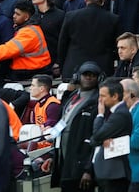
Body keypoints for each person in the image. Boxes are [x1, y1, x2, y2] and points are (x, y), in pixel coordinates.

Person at [45, 61, 102, 192]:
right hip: (65, 159)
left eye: (93, 75)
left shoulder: (98, 101)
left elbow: (96, 138)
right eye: (85, 74)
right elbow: (61, 125)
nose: (88, 77)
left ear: (99, 78)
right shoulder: (71, 97)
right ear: (77, 77)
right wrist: (53, 155)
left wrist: (89, 170)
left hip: (81, 162)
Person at [0, 0, 52, 80]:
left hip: (30, 71)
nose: (14, 16)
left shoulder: (29, 32)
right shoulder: (28, 28)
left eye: (17, 14)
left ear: (26, 17)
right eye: (14, 13)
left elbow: (9, 49)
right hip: (31, 68)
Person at [58, 0, 121, 79]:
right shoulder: (113, 19)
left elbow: (62, 45)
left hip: (74, 69)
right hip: (102, 70)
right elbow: (117, 45)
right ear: (103, 0)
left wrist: (63, 67)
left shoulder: (71, 16)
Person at [90, 78, 132, 192]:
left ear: (115, 96)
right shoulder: (114, 113)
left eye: (103, 96)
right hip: (109, 172)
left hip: (115, 172)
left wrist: (100, 115)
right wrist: (99, 140)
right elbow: (94, 140)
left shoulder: (120, 114)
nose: (100, 100)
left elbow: (97, 135)